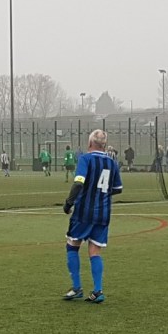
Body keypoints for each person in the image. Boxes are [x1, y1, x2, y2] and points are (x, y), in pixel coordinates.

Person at [62, 129, 123, 304]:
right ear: (104, 145)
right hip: (103, 213)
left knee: (72, 245)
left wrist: (68, 203)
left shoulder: (85, 159)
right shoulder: (112, 162)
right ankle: (97, 291)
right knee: (95, 251)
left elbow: (78, 183)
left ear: (90, 143)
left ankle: (77, 288)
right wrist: (100, 194)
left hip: (84, 212)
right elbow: (118, 189)